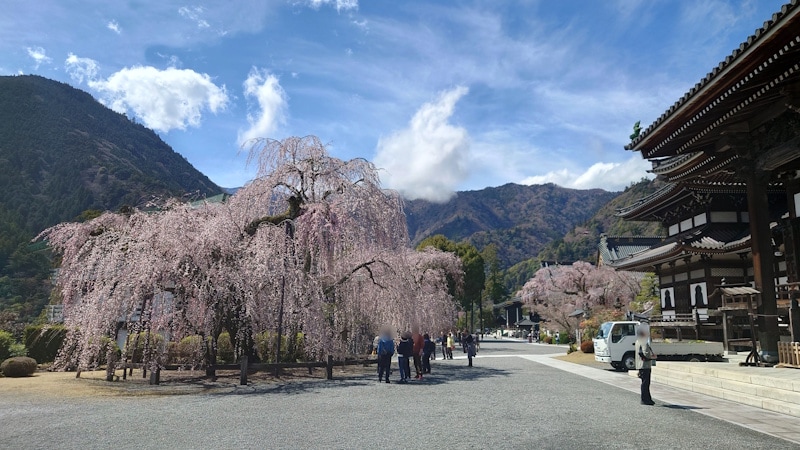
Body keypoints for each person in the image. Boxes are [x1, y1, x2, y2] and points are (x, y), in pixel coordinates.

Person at [635, 324, 657, 405]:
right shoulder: (643, 341)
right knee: (646, 383)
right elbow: (646, 352)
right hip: (645, 365)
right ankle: (645, 399)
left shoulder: (637, 341)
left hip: (640, 365)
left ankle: (647, 399)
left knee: (644, 382)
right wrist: (652, 357)